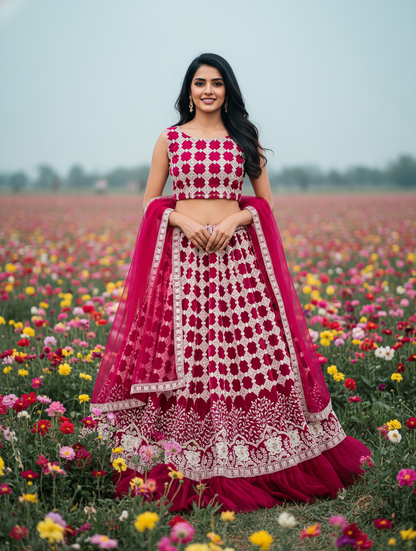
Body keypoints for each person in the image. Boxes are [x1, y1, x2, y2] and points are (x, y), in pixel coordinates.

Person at [90, 53, 371, 512]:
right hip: (182, 261)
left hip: (236, 261)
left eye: (216, 83)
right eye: (200, 83)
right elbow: (150, 202)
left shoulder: (244, 137)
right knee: (189, 354)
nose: (207, 91)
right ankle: (182, 453)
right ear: (188, 90)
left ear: (227, 90)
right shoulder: (170, 139)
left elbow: (265, 203)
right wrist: (179, 220)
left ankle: (261, 452)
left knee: (244, 352)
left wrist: (233, 221)